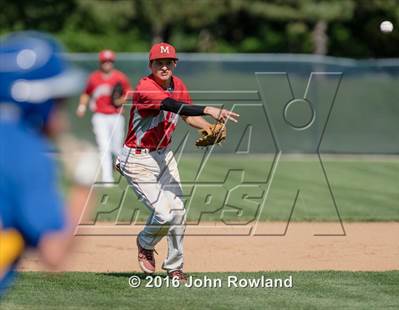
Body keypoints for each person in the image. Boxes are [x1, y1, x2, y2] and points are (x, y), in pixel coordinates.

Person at [116, 42, 239, 281]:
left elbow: (186, 116)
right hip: (138, 159)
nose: (164, 66)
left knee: (179, 213)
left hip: (164, 155)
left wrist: (207, 127)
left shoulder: (178, 84)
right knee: (163, 214)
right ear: (150, 65)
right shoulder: (145, 86)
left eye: (168, 62)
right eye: (158, 63)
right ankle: (145, 242)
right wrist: (208, 110)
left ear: (175, 64)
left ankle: (175, 267)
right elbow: (171, 105)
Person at [0, 31, 97, 296]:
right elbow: (54, 253)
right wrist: (84, 183)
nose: (62, 107)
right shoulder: (24, 149)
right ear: (35, 101)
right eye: (57, 99)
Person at [76, 50, 131, 184]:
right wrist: (82, 106)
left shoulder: (120, 77)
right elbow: (86, 93)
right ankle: (107, 178)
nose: (107, 63)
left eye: (109, 61)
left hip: (116, 116)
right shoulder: (93, 77)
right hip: (99, 116)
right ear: (101, 62)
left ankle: (116, 167)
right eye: (104, 61)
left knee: (116, 148)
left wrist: (121, 100)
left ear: (113, 62)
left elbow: (129, 93)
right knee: (103, 146)